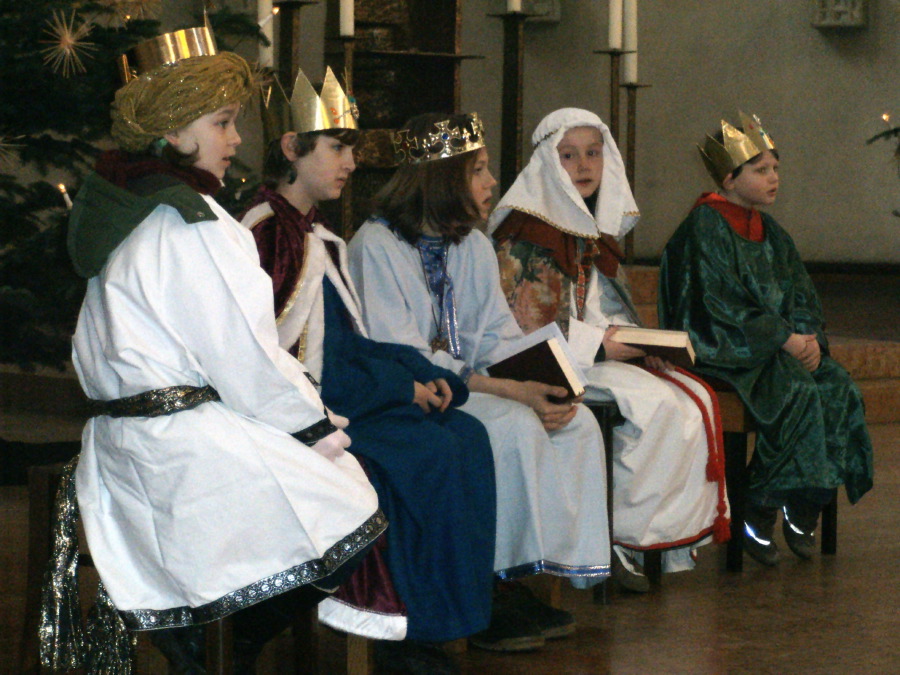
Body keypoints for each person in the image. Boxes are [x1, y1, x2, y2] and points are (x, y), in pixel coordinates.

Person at [55, 27, 383, 673]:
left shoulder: (127, 204)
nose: (235, 140)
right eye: (223, 122)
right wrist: (314, 427)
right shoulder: (191, 220)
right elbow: (241, 356)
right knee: (354, 506)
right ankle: (216, 641)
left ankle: (210, 635)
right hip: (180, 445)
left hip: (124, 441)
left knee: (320, 495)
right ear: (175, 130)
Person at [241, 69, 497, 672]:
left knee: (467, 436)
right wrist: (401, 387)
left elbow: (353, 342)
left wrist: (424, 375)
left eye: (352, 149)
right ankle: (399, 637)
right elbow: (281, 361)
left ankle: (442, 626)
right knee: (427, 454)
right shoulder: (267, 236)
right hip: (300, 414)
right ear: (291, 148)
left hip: (347, 394)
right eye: (338, 148)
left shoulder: (315, 235)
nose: (352, 163)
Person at [348, 112, 611, 652]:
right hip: (414, 396)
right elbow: (401, 353)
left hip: (472, 387)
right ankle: (488, 587)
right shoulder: (376, 245)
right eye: (478, 171)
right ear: (440, 180)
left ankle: (536, 570)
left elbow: (495, 333)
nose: (492, 182)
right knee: (512, 425)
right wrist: (514, 392)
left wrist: (549, 381)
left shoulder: (469, 244)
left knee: (578, 425)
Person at [487, 108, 730, 590]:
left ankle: (658, 539)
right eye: (569, 155)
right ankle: (618, 539)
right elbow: (522, 327)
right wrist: (602, 346)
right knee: (655, 406)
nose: (584, 165)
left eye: (593, 153)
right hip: (550, 364)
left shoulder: (589, 228)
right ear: (548, 162)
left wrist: (638, 344)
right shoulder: (527, 234)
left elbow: (599, 307)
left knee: (692, 400)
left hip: (590, 353)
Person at [657, 112, 874, 566]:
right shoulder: (704, 227)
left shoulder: (771, 231)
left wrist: (808, 338)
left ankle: (805, 502)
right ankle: (757, 505)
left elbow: (800, 292)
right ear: (729, 178)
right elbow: (713, 305)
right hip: (725, 350)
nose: (774, 177)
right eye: (761, 170)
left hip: (778, 349)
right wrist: (782, 338)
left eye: (775, 168)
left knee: (837, 390)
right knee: (794, 391)